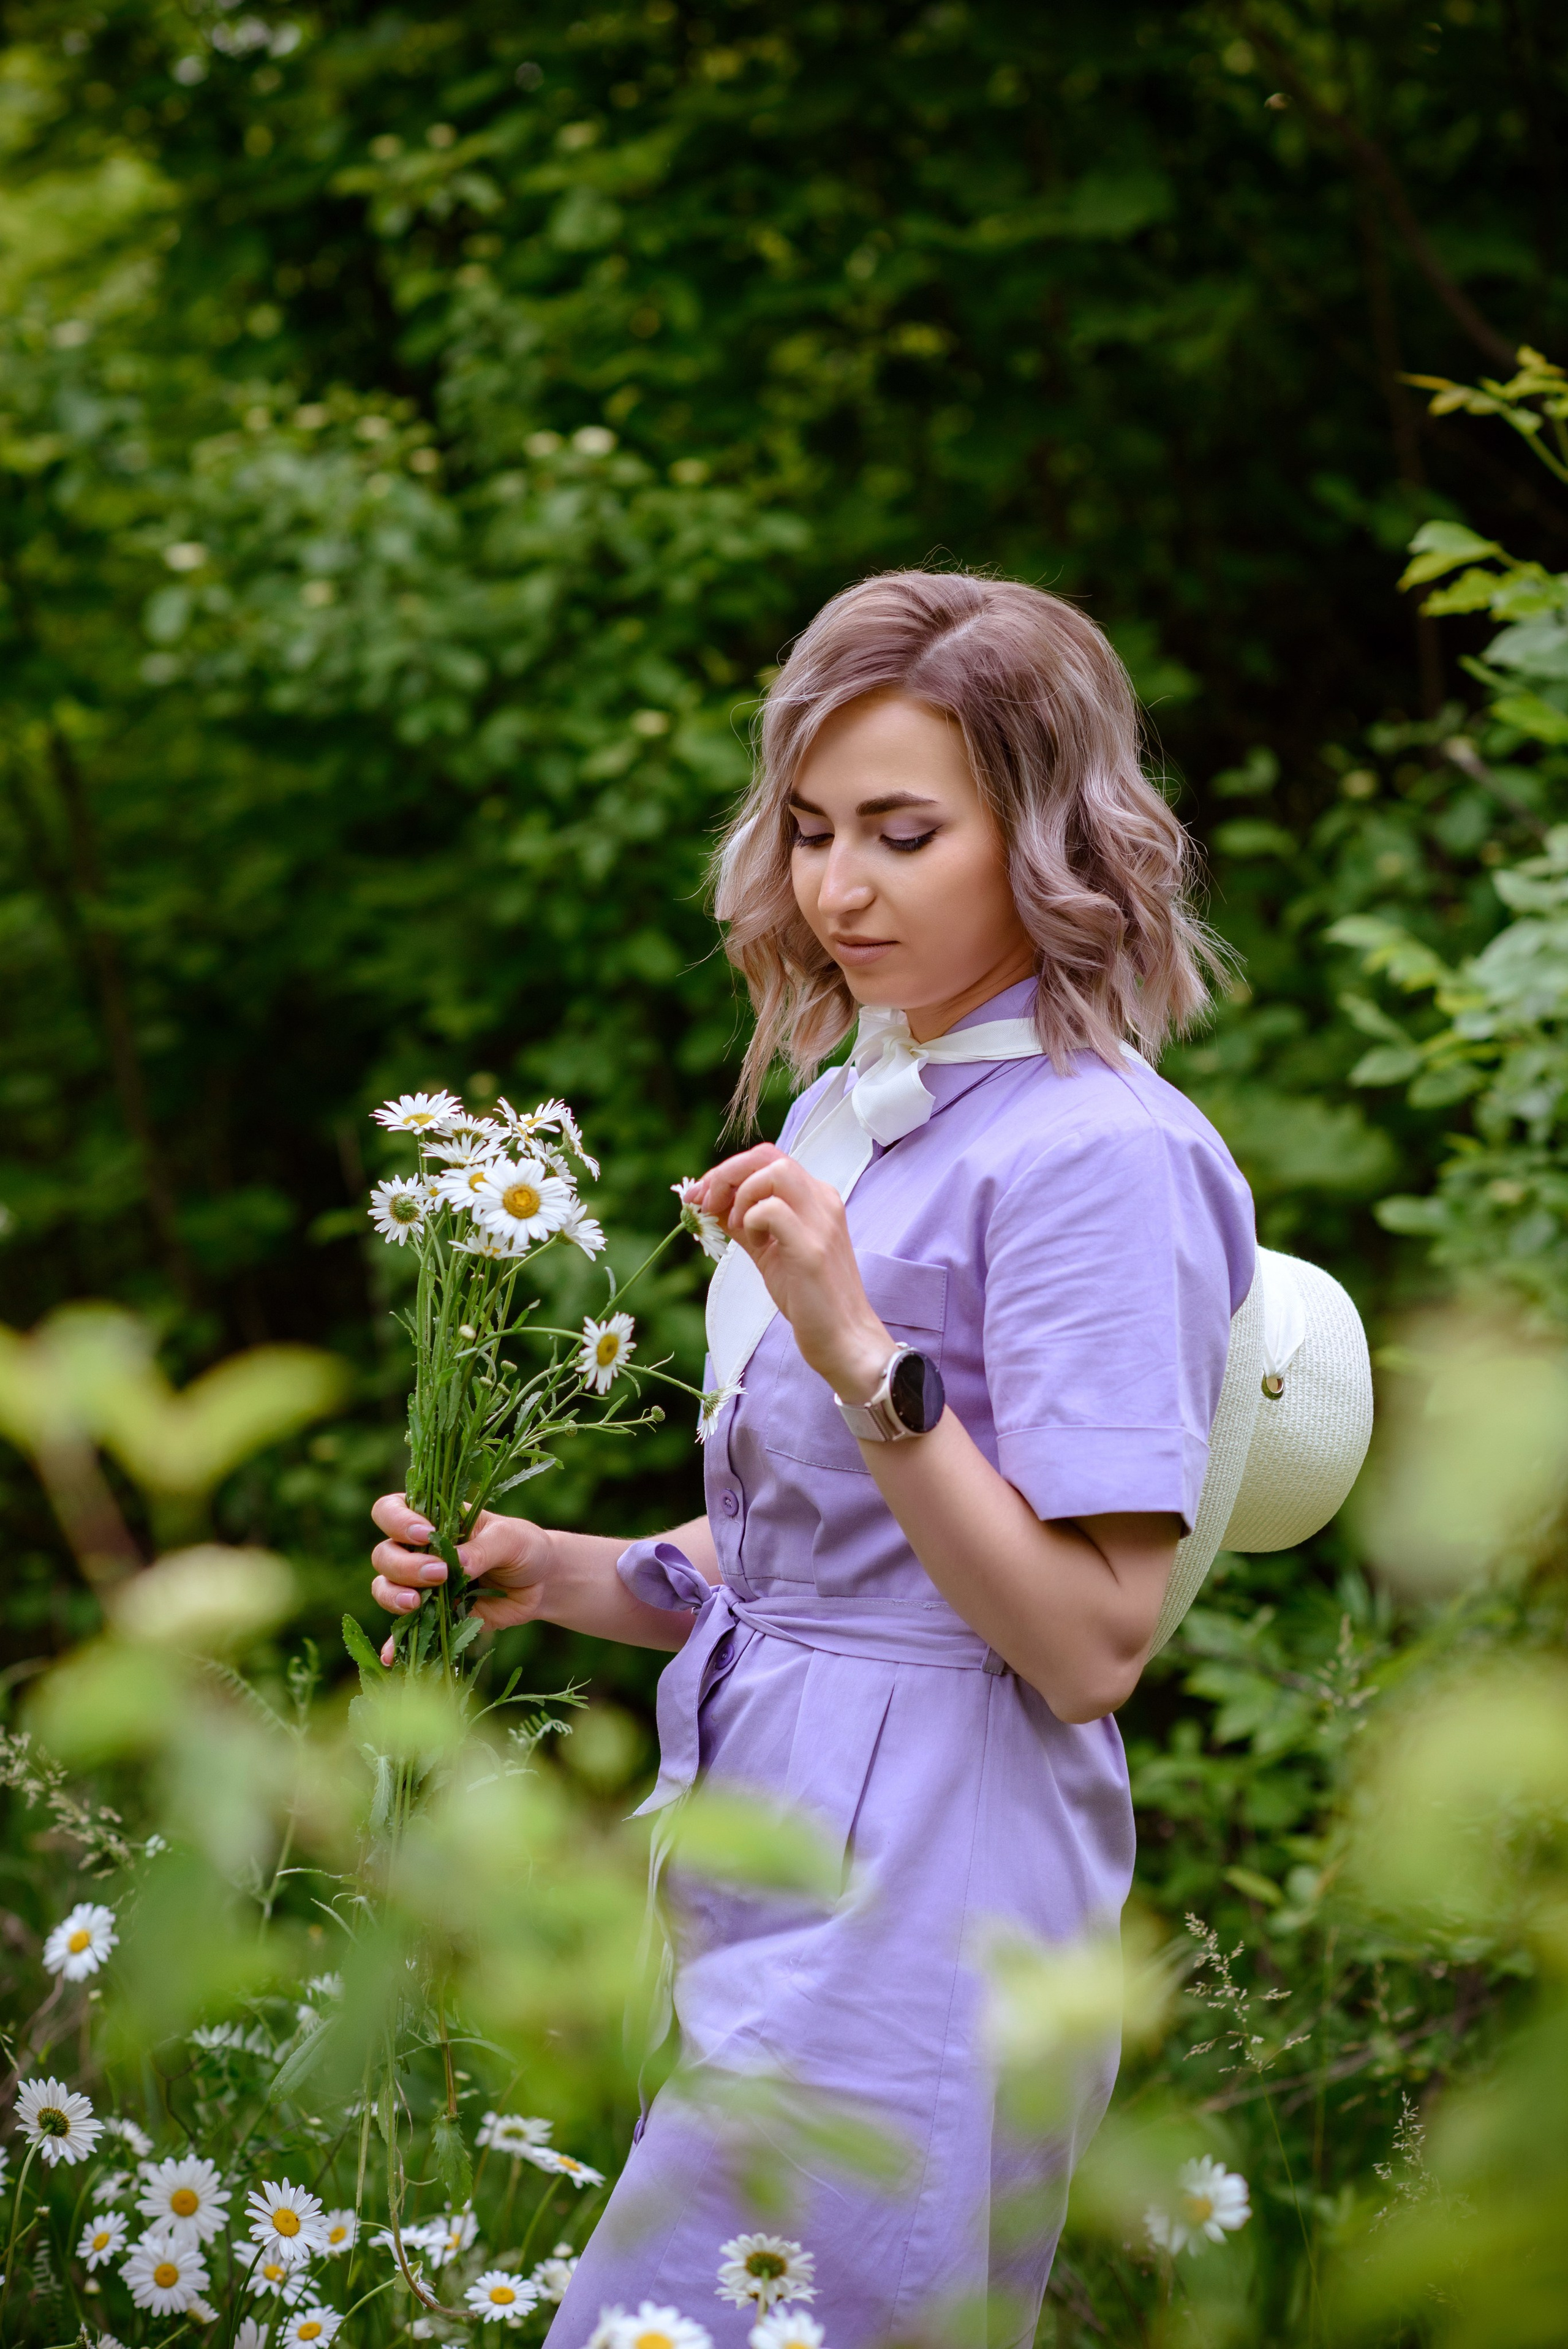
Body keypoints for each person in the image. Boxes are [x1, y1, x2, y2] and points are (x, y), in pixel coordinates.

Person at [369, 571, 1255, 2345]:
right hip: (767, 1828)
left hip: (939, 1875)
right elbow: (833, 1561)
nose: (839, 889)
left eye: (904, 835)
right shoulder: (858, 1106)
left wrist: (863, 1354)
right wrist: (565, 1573)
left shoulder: (1099, 1154)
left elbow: (1091, 1644)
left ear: (1050, 838)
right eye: (814, 829)